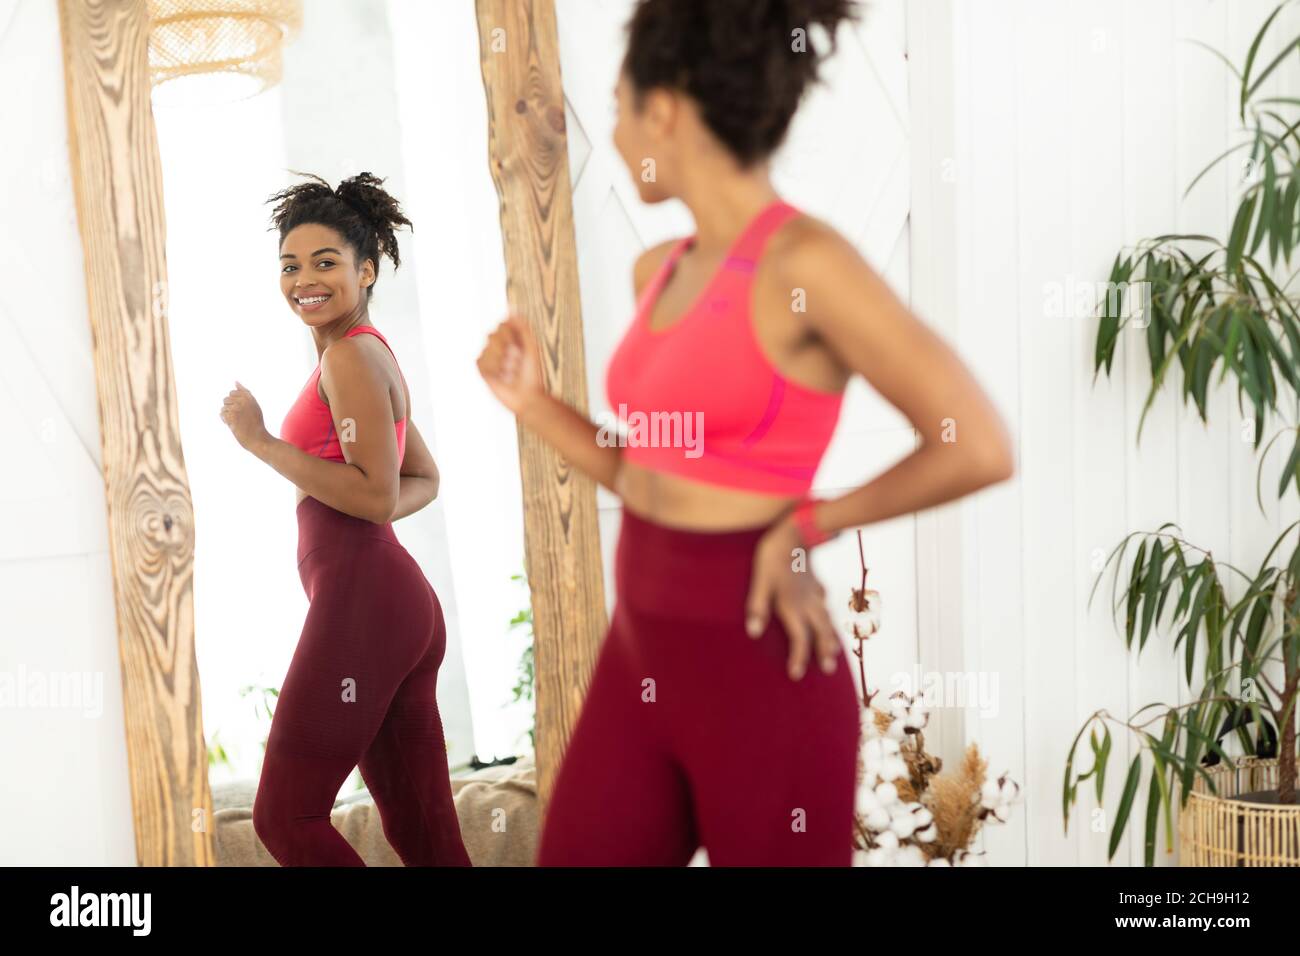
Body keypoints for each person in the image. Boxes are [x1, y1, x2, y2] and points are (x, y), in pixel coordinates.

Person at [476, 0, 1014, 866]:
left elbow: (975, 441)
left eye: (616, 108)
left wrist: (810, 523)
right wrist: (534, 403)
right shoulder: (663, 269)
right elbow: (648, 473)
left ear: (664, 112)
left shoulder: (805, 264)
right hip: (640, 659)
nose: (609, 135)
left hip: (762, 674)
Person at [219, 172, 470, 866]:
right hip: (395, 604)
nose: (304, 279)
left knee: (286, 816)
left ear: (365, 270)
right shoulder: (364, 349)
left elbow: (375, 496)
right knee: (424, 834)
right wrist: (375, 501)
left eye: (325, 262)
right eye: (290, 265)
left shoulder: (350, 355)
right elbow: (421, 480)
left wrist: (262, 443)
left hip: (366, 598)